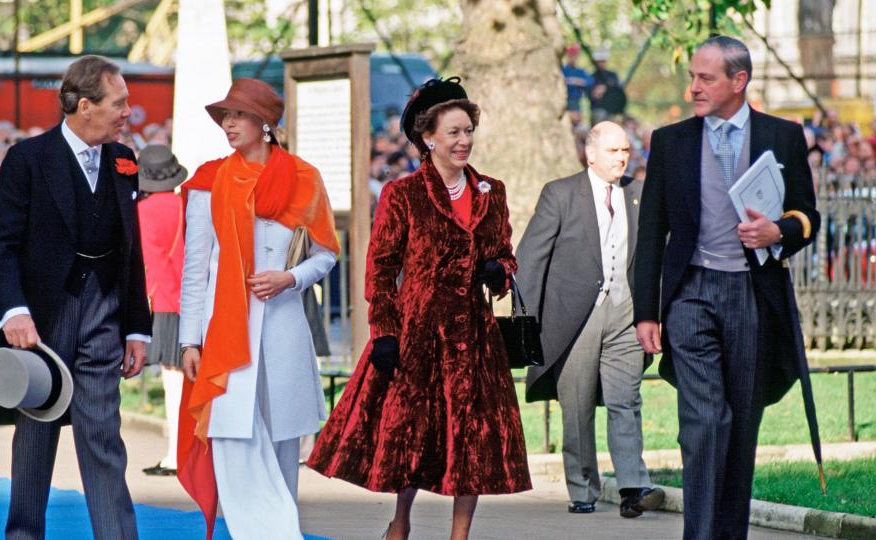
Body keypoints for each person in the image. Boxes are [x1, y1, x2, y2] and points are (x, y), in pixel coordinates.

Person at [307, 77, 532, 540]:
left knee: (472, 440)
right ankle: (401, 520)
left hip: (473, 333)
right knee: (415, 433)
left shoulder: (493, 190)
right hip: (418, 332)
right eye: (453, 132)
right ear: (428, 138)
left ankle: (459, 534)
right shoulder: (402, 193)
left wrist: (499, 269)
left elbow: (505, 252)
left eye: (468, 130)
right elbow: (381, 269)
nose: (464, 140)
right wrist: (384, 331)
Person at [633, 36, 820, 540]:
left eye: (705, 78)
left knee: (741, 425)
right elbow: (651, 229)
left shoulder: (783, 135)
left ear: (739, 81)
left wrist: (777, 231)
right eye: (692, 76)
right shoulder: (669, 140)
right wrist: (646, 312)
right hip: (690, 291)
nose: (693, 86)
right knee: (705, 423)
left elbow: (809, 215)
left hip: (751, 296)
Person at [0, 55, 150, 540]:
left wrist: (137, 327)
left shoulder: (125, 161)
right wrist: (13, 311)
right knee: (34, 440)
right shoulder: (28, 159)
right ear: (83, 106)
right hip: (40, 322)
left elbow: (131, 249)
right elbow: (0, 243)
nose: (126, 112)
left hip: (104, 314)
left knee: (103, 437)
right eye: (118, 103)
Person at [176, 78, 339, 540]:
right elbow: (196, 269)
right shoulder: (208, 182)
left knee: (285, 445)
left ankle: (280, 528)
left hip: (284, 326)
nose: (228, 123)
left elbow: (325, 254)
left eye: (238, 115)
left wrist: (292, 278)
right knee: (231, 436)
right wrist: (190, 339)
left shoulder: (304, 178)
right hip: (225, 331)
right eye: (224, 116)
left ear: (265, 123)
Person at [516, 121, 664, 518]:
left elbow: (652, 256)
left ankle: (633, 486)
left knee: (626, 401)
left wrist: (654, 311)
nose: (621, 159)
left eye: (626, 152)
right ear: (591, 153)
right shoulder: (560, 194)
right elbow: (531, 258)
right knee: (577, 406)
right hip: (573, 317)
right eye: (613, 151)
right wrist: (525, 320)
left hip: (626, 313)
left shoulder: (638, 193)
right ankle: (583, 488)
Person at [135, 144, 188, 477]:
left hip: (163, 301)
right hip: (193, 300)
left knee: (174, 382)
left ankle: (175, 454)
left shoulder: (140, 211)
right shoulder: (186, 205)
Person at [562, 43, 593, 125]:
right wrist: (568, 80)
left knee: (577, 121)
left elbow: (590, 81)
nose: (573, 58)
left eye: (575, 56)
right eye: (571, 55)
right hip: (564, 100)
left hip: (576, 101)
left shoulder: (580, 71)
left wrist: (579, 81)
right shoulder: (563, 70)